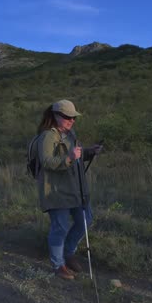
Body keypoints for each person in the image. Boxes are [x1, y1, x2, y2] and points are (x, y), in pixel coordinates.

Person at [35, 99, 102, 280]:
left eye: (73, 117)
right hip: (57, 191)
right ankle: (58, 265)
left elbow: (76, 157)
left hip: (75, 188)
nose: (71, 120)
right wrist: (69, 158)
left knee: (85, 220)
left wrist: (89, 152)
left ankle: (68, 251)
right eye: (67, 117)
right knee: (60, 227)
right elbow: (47, 162)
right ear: (56, 116)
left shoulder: (71, 134)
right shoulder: (48, 136)